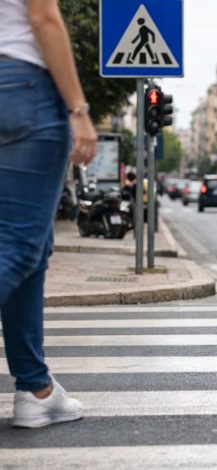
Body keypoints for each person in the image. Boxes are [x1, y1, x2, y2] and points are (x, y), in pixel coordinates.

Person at [0, 0, 97, 428]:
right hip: (23, 85)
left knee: (33, 245)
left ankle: (35, 389)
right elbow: (42, 16)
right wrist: (78, 109)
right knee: (19, 244)